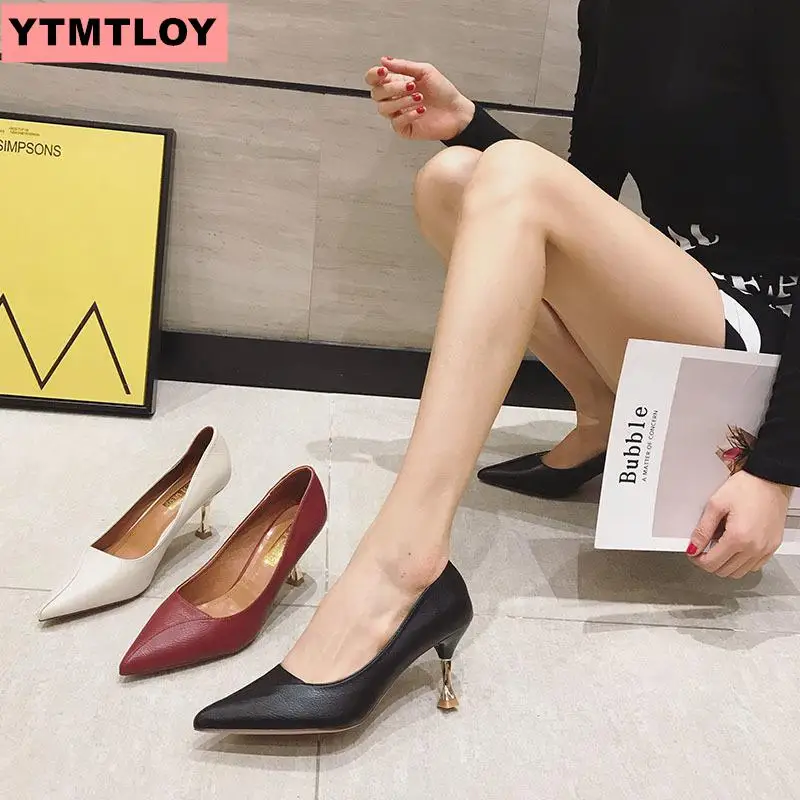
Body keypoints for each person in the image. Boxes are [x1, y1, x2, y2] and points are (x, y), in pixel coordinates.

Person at [193, 2, 799, 734]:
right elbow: (583, 191)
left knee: (506, 174)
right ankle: (602, 414)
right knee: (450, 179)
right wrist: (468, 123)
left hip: (770, 336)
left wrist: (774, 471)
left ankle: (402, 567)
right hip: (693, 305)